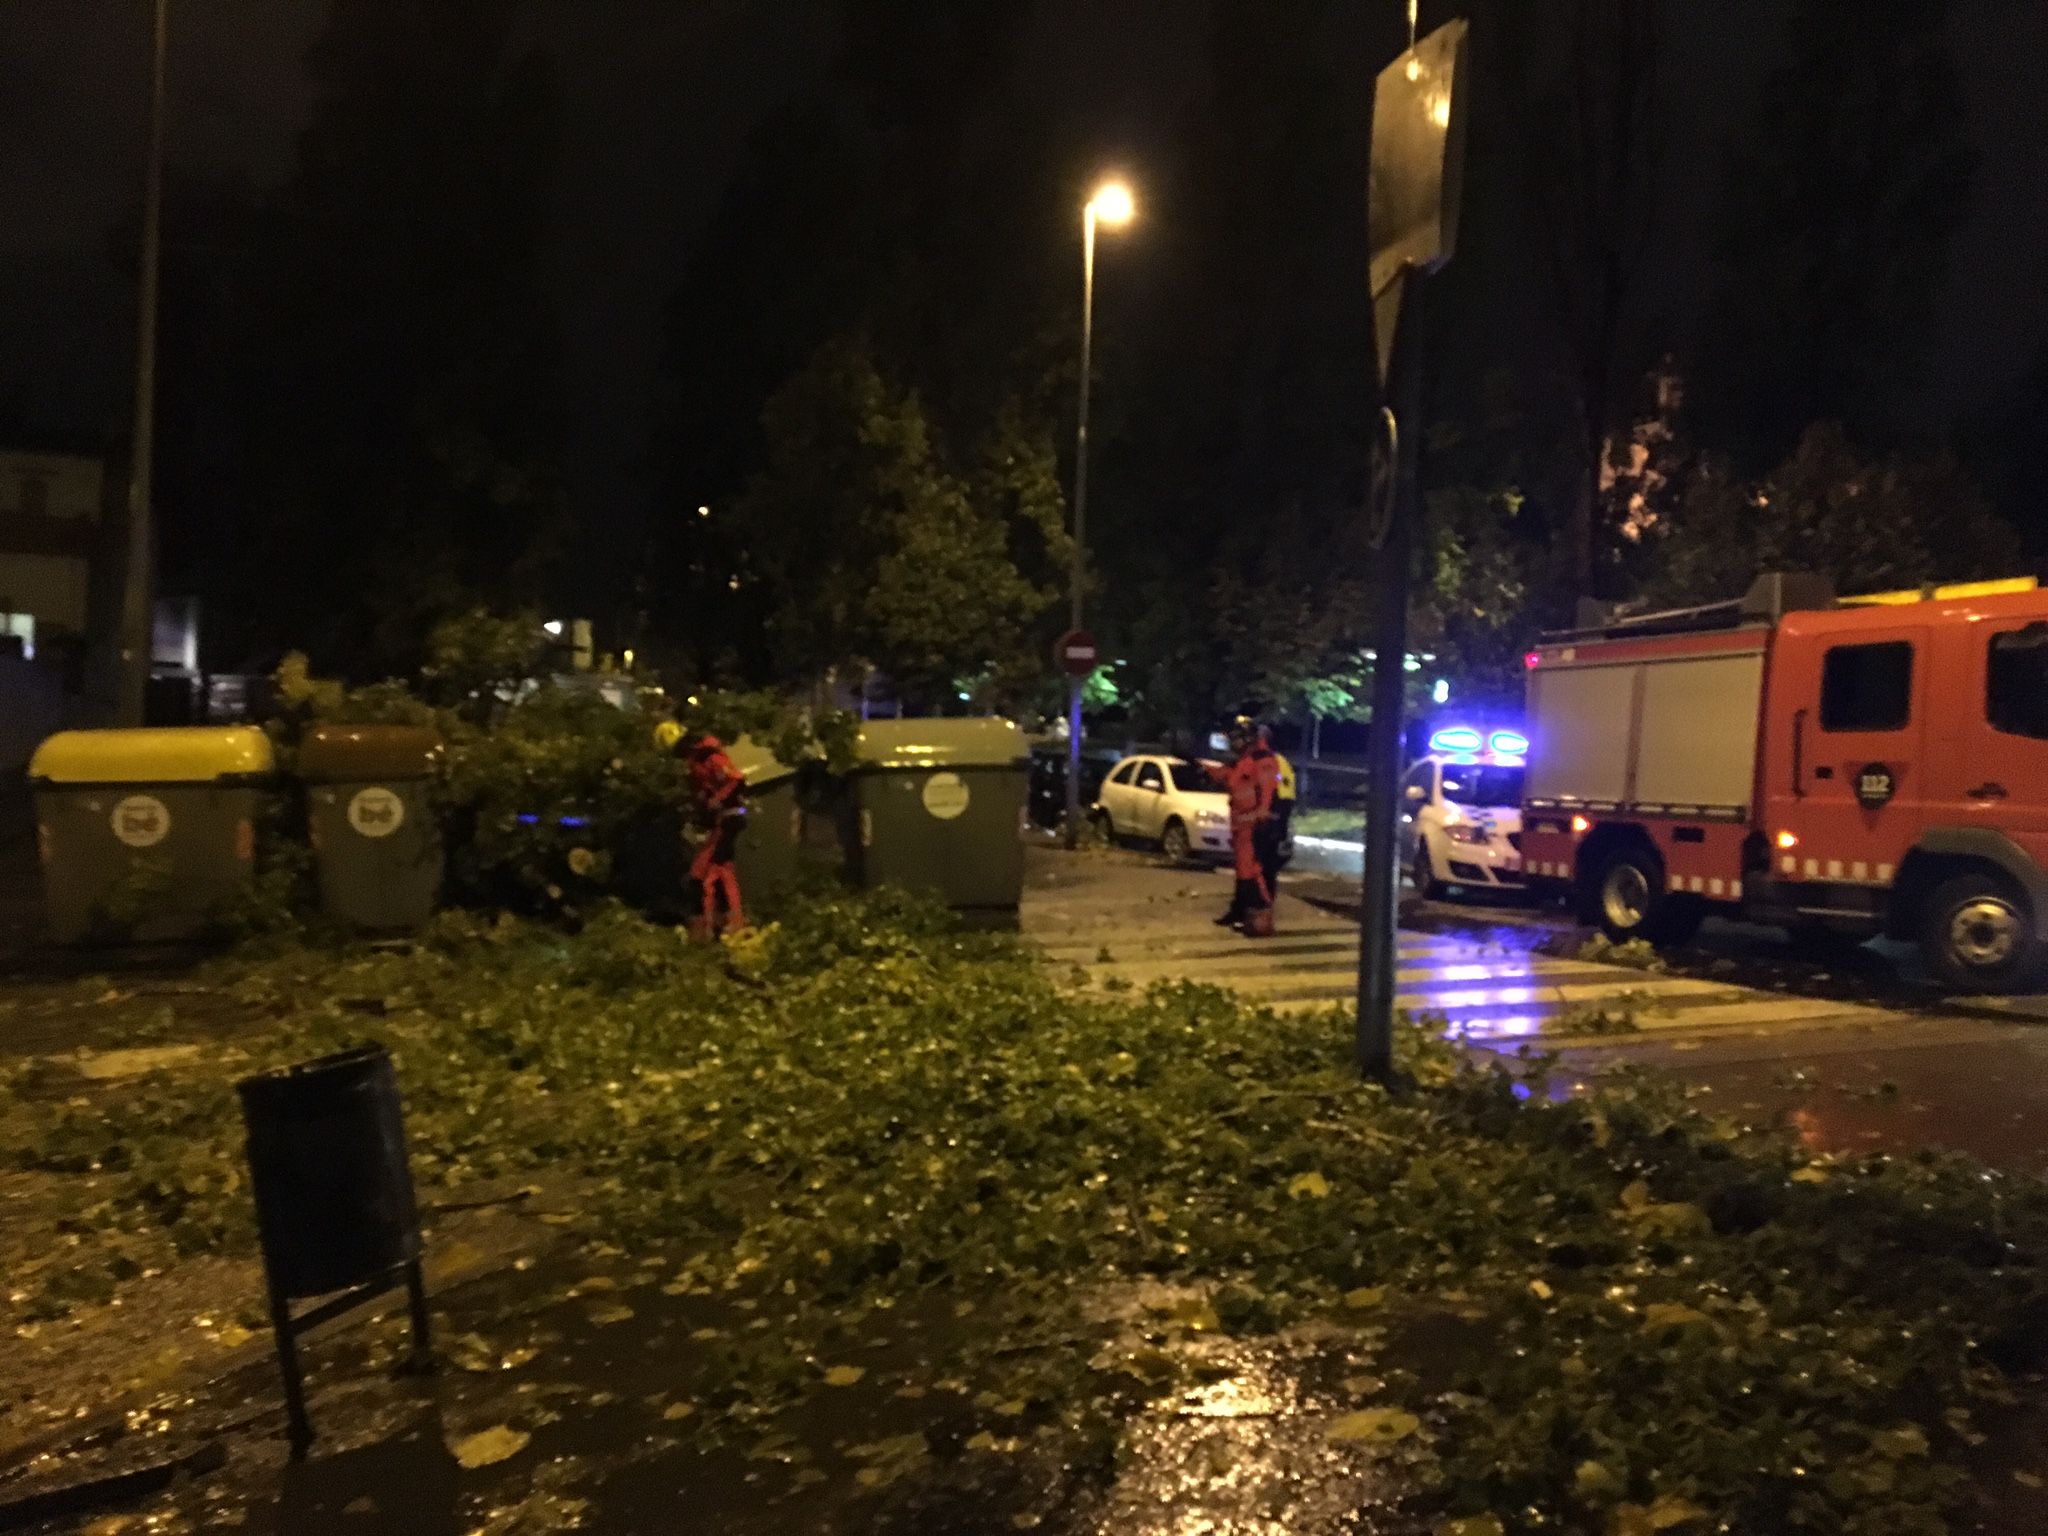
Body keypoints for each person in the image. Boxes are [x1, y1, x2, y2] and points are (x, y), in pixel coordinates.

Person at [1208, 716, 1279, 933]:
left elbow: (1267, 792)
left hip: (1254, 826)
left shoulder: (1262, 760)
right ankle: (1241, 913)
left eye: (1237, 738)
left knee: (1252, 874)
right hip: (1241, 827)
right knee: (1243, 873)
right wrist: (1201, 768)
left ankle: (1260, 918)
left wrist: (1261, 816)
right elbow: (1227, 776)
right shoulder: (1243, 761)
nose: (1233, 743)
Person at [684, 732, 747, 936]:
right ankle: (727, 921)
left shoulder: (712, 758)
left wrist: (717, 799)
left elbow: (736, 779)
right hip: (722, 820)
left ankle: (712, 924)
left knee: (712, 872)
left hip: (729, 817)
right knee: (718, 869)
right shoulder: (701, 762)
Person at [1257, 724, 1296, 896]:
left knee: (1266, 868)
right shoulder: (1276, 761)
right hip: (1270, 820)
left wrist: (1277, 825)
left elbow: (1284, 794)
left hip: (1270, 821)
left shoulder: (1275, 762)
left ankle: (1263, 907)